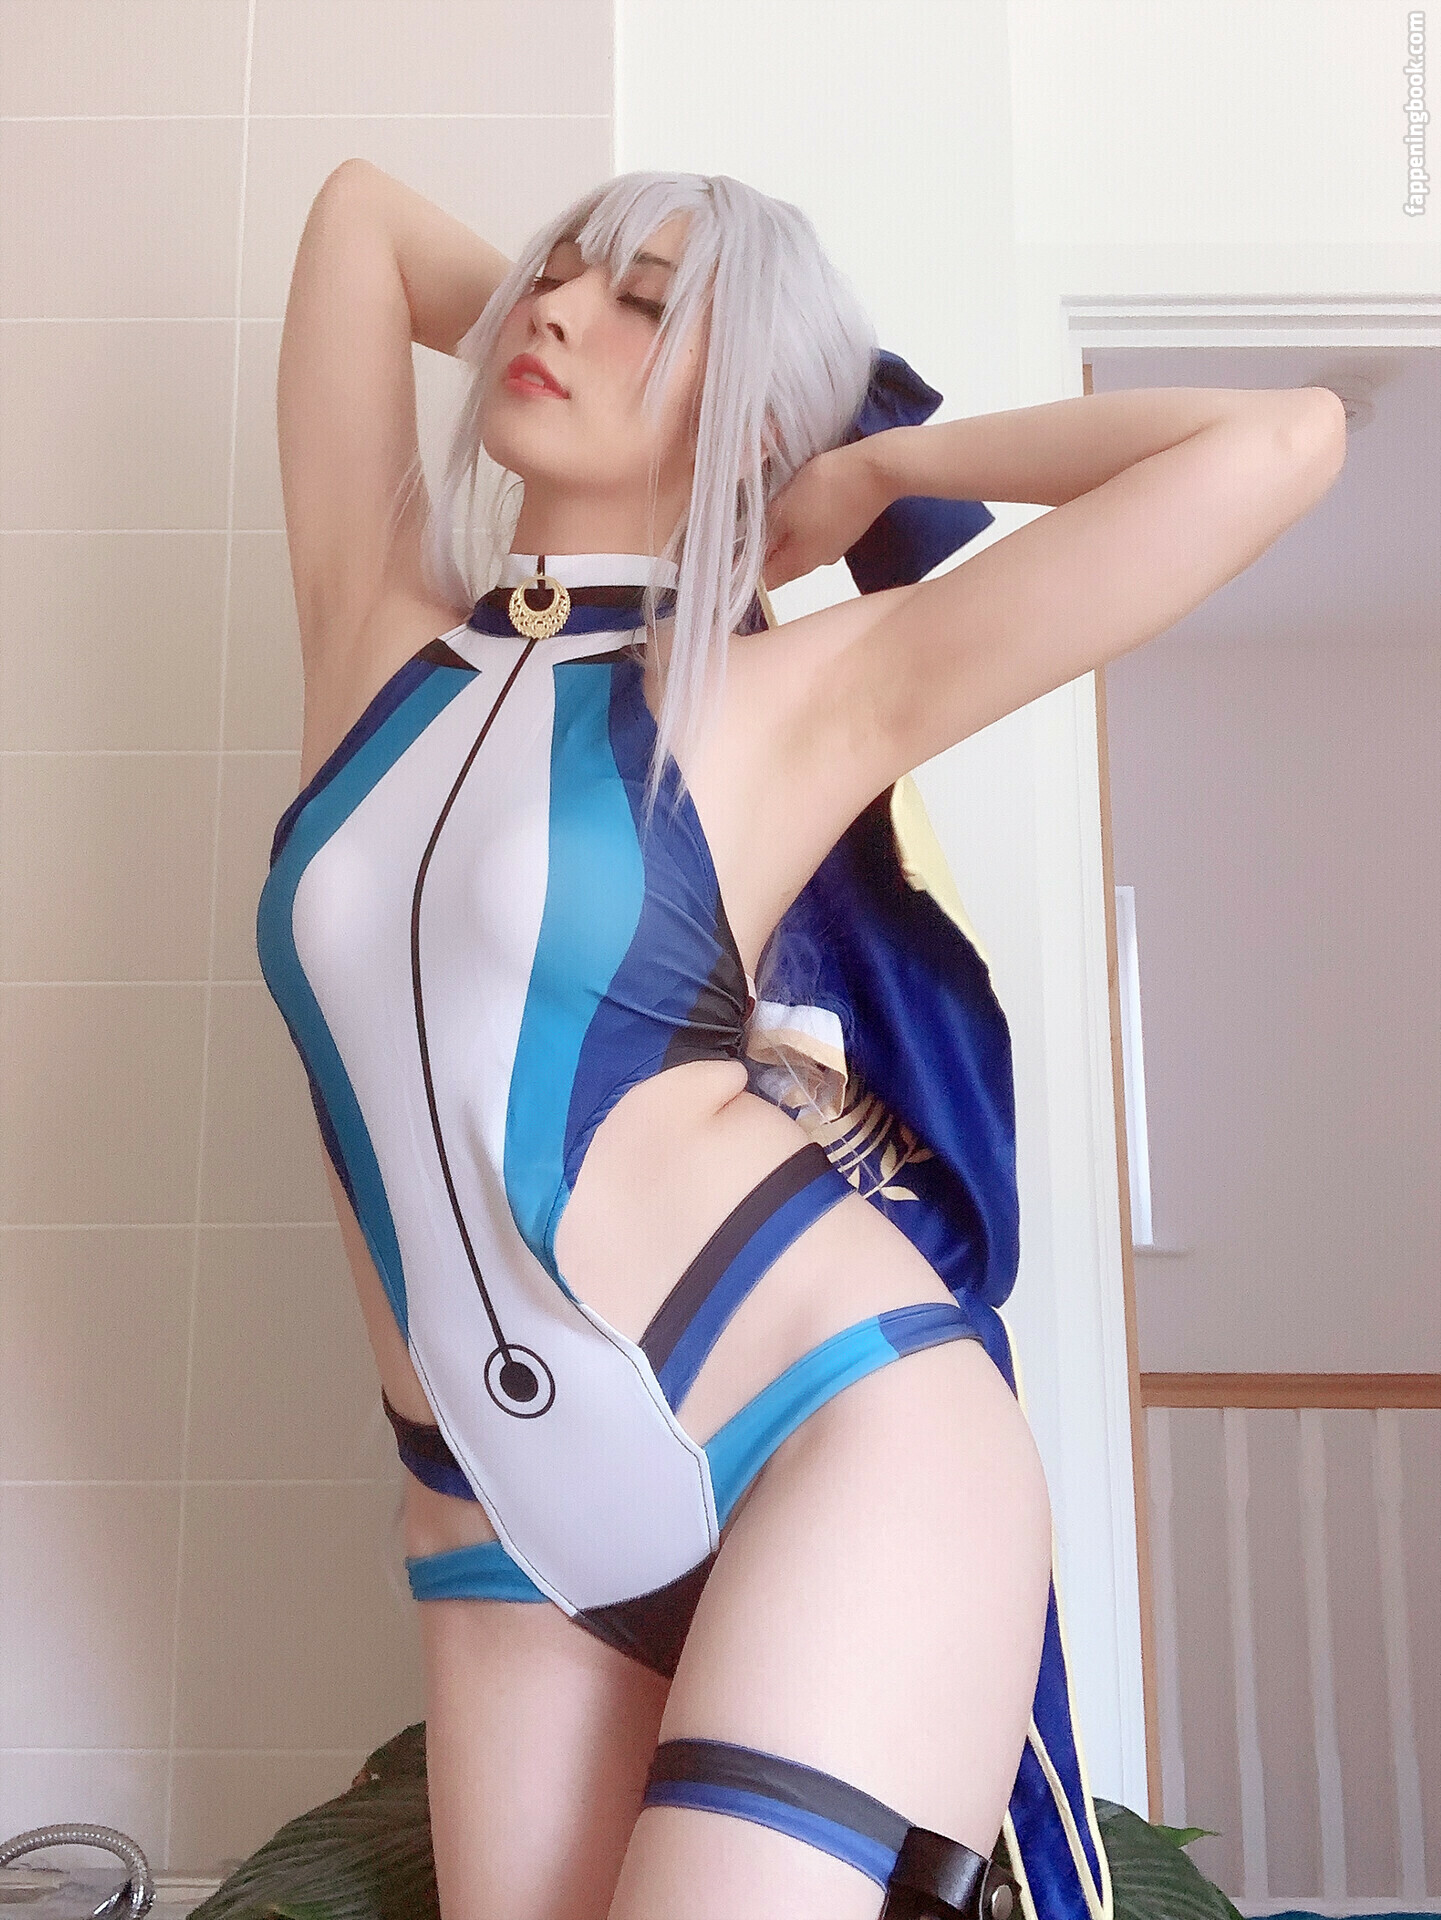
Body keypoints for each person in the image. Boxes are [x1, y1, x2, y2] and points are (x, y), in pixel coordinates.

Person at [257, 160, 1346, 1920]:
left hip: (828, 1429)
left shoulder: (793, 694)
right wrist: (632, 320)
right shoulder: (371, 635)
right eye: (555, 277)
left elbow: (1281, 439)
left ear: (751, 408)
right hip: (491, 1523)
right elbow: (361, 220)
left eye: (642, 304)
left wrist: (860, 460)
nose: (554, 312)